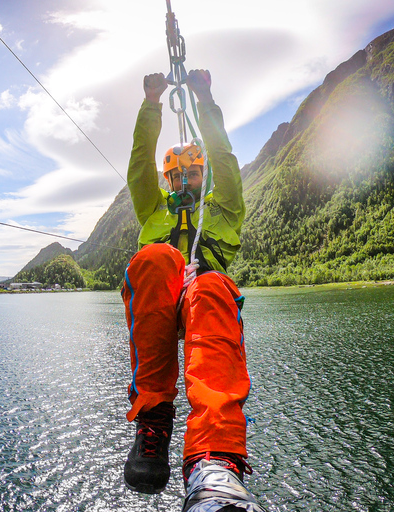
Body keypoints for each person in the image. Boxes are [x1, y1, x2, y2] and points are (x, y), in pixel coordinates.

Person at [122, 69, 264, 511]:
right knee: (153, 259)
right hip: (162, 303)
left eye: (193, 175)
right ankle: (154, 419)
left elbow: (223, 153)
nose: (184, 183)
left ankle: (215, 460)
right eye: (176, 177)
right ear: (168, 180)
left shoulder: (224, 207)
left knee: (210, 285)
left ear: (204, 176)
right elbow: (139, 163)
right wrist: (151, 103)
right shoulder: (153, 211)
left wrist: (204, 98)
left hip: (204, 302)